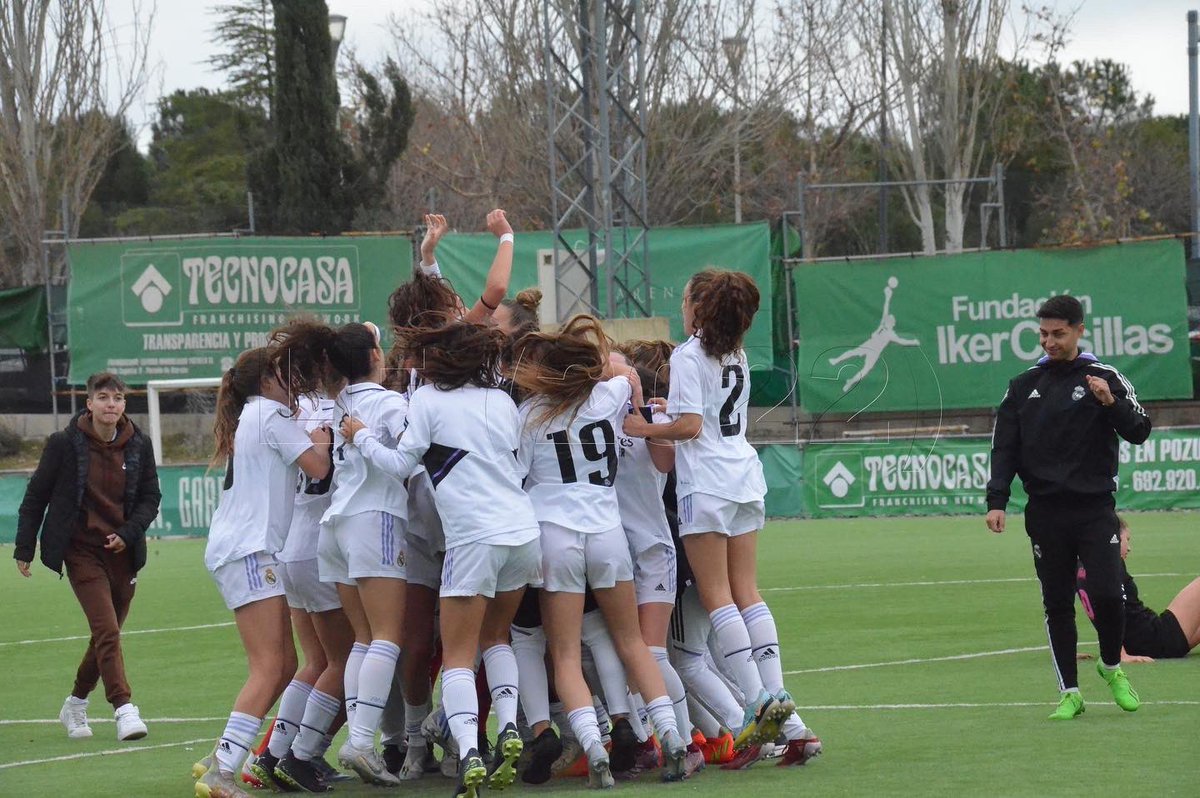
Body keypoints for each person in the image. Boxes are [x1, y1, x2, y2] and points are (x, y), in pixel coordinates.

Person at [622, 269, 820, 766]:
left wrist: (644, 426)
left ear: (698, 309)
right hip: (743, 475)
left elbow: (688, 426)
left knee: (717, 596)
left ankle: (759, 701)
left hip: (706, 483)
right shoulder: (737, 353)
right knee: (747, 591)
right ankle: (783, 707)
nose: (683, 305)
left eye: (686, 298)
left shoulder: (688, 355)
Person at [342, 317, 543, 798]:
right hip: (522, 531)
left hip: (473, 538)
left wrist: (360, 435)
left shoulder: (428, 400)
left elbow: (398, 464)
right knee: (497, 639)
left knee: (455, 656)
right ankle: (510, 727)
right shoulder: (501, 399)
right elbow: (520, 463)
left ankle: (470, 750)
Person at [512, 314, 689, 787]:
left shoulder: (530, 414)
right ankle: (670, 738)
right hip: (608, 531)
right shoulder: (608, 396)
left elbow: (516, 478)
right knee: (632, 643)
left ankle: (594, 747)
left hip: (556, 535)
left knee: (566, 654)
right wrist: (615, 380)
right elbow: (627, 375)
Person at [986, 294, 1152, 720]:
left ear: (1079, 330)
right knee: (1057, 602)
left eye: (1058, 334)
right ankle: (1070, 693)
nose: (1049, 342)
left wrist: (1109, 403)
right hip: (1044, 513)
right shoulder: (1023, 387)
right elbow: (1004, 447)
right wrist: (997, 500)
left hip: (1095, 509)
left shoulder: (1103, 376)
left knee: (1107, 595)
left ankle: (1111, 666)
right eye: (1043, 334)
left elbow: (1139, 431)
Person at [194, 347, 333, 798]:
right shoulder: (269, 416)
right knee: (270, 665)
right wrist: (323, 432)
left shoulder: (256, 415)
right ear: (265, 382)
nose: (290, 379)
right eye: (281, 373)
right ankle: (223, 771)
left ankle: (222, 756)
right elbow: (318, 467)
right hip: (249, 550)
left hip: (249, 550)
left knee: (286, 663)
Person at [14, 372, 160, 743]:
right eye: (104, 397)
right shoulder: (64, 443)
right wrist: (25, 547)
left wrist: (127, 534)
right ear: (89, 404)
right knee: (107, 630)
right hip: (80, 551)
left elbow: (150, 498)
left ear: (124, 404)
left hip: (124, 553)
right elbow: (36, 496)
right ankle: (124, 708)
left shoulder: (139, 444)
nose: (111, 404)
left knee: (104, 637)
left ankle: (76, 703)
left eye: (118, 398)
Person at [1078, 517, 1200, 662]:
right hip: (1157, 639)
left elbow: (1075, 609)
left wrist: (1067, 649)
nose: (1129, 547)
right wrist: (1119, 654)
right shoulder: (1109, 562)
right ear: (1114, 538)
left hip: (1147, 644)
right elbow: (1109, 608)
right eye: (1127, 539)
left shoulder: (1081, 565)